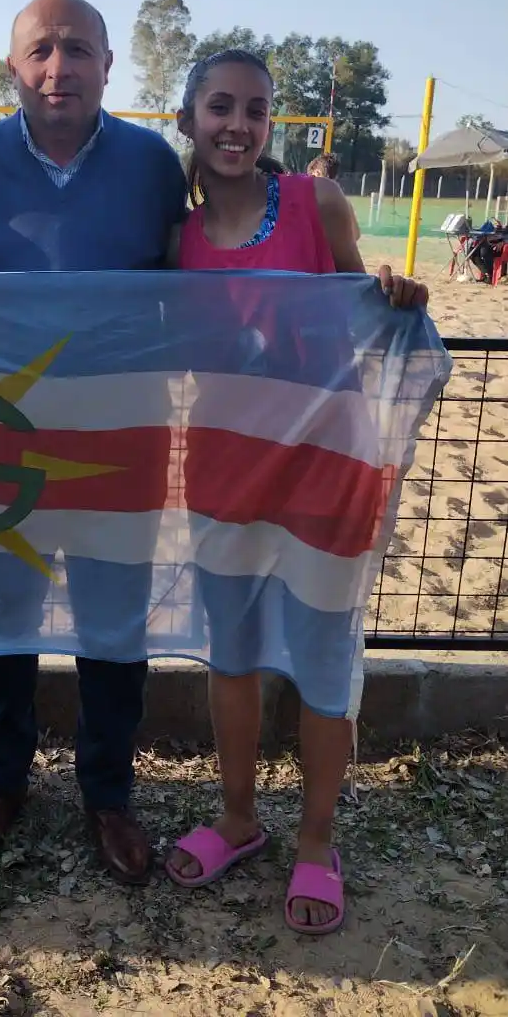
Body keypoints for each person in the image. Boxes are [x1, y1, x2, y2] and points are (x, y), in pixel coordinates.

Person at [164, 49, 428, 934]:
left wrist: (393, 290)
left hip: (326, 467)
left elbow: (365, 300)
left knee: (321, 665)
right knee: (230, 659)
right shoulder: (175, 237)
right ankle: (237, 819)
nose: (236, 124)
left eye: (254, 108)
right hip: (222, 472)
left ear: (270, 123)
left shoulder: (317, 204)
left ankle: (316, 842)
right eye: (218, 107)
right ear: (188, 119)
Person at [0, 0, 186, 884]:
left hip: (124, 429)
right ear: (11, 68)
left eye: (77, 49)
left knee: (114, 622)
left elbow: (206, 288)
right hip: (2, 433)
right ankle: (3, 785)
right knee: (1, 615)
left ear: (109, 65)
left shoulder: (156, 164)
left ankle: (107, 796)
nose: (57, 67)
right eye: (39, 50)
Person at [307, 151, 360, 238]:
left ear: (317, 173)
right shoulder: (344, 203)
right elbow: (355, 235)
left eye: (311, 176)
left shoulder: (305, 201)